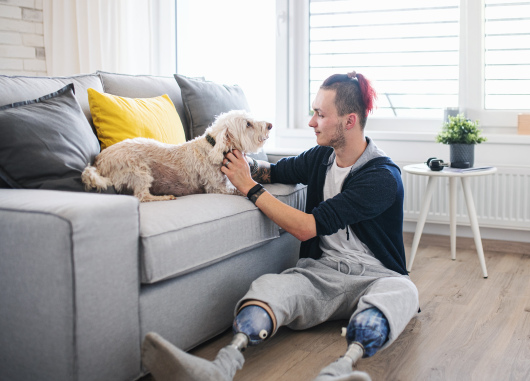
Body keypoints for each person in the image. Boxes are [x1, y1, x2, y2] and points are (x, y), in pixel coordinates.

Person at [141, 72, 419, 381]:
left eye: (320, 114)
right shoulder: (321, 157)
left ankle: (340, 370)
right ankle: (220, 367)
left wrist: (249, 187)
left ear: (349, 121)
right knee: (268, 288)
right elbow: (274, 171)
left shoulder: (381, 177)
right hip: (322, 273)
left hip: (377, 277)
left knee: (402, 291)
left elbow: (307, 227)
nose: (312, 121)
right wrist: (236, 162)